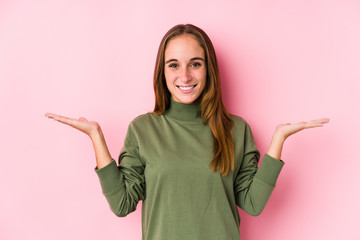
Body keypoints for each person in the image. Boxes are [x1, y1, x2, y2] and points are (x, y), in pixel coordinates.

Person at [45, 24, 329, 240]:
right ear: (162, 72)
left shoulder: (236, 129)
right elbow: (122, 204)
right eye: (174, 65)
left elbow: (252, 204)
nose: (185, 76)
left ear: (208, 70)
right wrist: (96, 136)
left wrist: (278, 139)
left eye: (195, 63)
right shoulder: (143, 129)